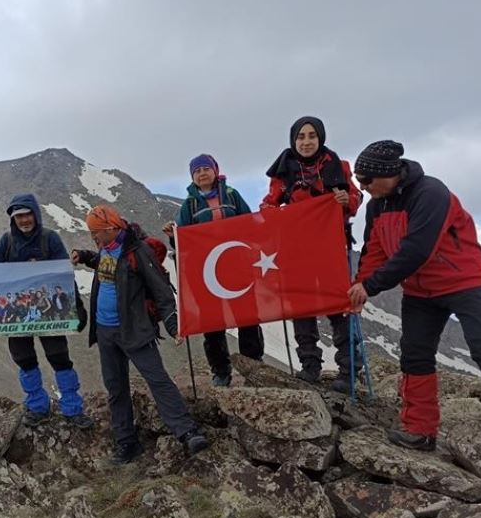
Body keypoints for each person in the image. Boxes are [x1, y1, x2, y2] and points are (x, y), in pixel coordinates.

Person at [347, 140, 481, 463]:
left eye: (366, 180)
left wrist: (372, 285)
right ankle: (420, 430)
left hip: (464, 282)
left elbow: (417, 248)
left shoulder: (430, 193)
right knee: (415, 355)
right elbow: (375, 251)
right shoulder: (377, 205)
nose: (363, 187)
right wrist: (360, 286)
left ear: (389, 174)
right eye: (358, 180)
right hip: (420, 291)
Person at [72, 204, 209, 464]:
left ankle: (188, 432)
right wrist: (85, 255)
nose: (94, 237)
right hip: (105, 331)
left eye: (96, 232)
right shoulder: (106, 249)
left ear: (112, 228)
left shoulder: (137, 251)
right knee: (115, 387)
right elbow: (103, 265)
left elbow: (161, 291)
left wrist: (173, 326)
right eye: (91, 233)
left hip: (134, 330)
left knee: (157, 379)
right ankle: (127, 444)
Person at [262, 116, 363, 392]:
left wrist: (347, 201)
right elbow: (269, 204)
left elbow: (355, 198)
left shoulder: (337, 166)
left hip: (331, 247)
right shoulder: (283, 172)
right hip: (297, 251)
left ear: (320, 138)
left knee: (338, 304)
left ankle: (349, 368)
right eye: (301, 137)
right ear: (293, 140)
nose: (306, 142)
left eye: (311, 136)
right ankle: (310, 366)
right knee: (301, 305)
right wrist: (274, 214)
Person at [0, 193, 93, 429]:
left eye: (27, 214)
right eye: (18, 216)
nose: (24, 220)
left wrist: (77, 305)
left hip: (49, 311)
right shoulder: (6, 242)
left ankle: (72, 408)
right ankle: (37, 406)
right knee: (24, 358)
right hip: (16, 314)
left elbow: (64, 273)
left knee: (59, 357)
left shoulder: (50, 240)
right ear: (13, 219)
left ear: (35, 214)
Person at [163, 153, 264, 387]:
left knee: (247, 316)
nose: (202, 173)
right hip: (209, 273)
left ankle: (254, 366)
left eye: (206, 169)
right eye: (197, 171)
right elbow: (183, 240)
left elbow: (249, 222)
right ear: (192, 177)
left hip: (237, 267)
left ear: (215, 170)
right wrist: (173, 235)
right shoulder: (189, 204)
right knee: (213, 321)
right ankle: (220, 371)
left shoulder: (232, 195)